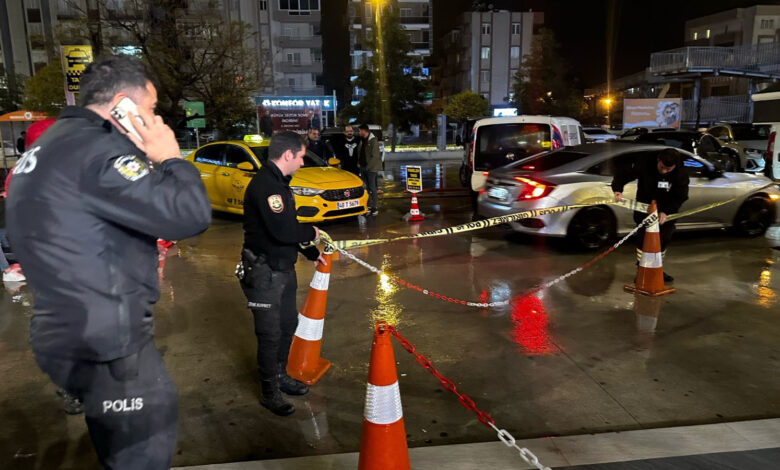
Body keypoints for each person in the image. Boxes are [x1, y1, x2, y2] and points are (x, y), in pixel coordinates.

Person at [5, 55, 211, 469]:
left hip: (68, 332)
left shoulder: (52, 142)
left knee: (115, 446)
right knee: (141, 451)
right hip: (110, 344)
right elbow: (190, 213)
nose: (154, 120)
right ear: (123, 105)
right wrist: (170, 158)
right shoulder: (101, 152)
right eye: (150, 110)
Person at [239, 130, 326, 416]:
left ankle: (280, 376)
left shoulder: (279, 183)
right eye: (301, 157)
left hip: (282, 268)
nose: (303, 163)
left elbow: (288, 226)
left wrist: (312, 253)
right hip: (263, 272)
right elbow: (284, 230)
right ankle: (269, 392)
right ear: (288, 154)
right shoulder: (266, 186)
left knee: (288, 325)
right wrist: (312, 233)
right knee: (270, 334)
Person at [612, 148, 689, 282]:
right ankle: (642, 270)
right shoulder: (645, 162)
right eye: (662, 167)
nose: (664, 171)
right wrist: (618, 189)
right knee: (644, 241)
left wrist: (666, 211)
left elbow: (681, 195)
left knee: (663, 240)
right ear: (658, 160)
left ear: (675, 166)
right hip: (644, 208)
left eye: (668, 169)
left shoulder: (680, 173)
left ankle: (657, 269)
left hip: (666, 212)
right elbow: (624, 174)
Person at [358, 124, 381, 216]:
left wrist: (368, 167)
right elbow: (360, 153)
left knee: (372, 188)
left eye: (360, 130)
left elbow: (375, 156)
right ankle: (368, 206)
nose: (359, 132)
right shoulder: (362, 140)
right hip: (363, 167)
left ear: (364, 131)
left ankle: (374, 207)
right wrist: (359, 163)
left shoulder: (373, 141)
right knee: (366, 188)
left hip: (371, 169)